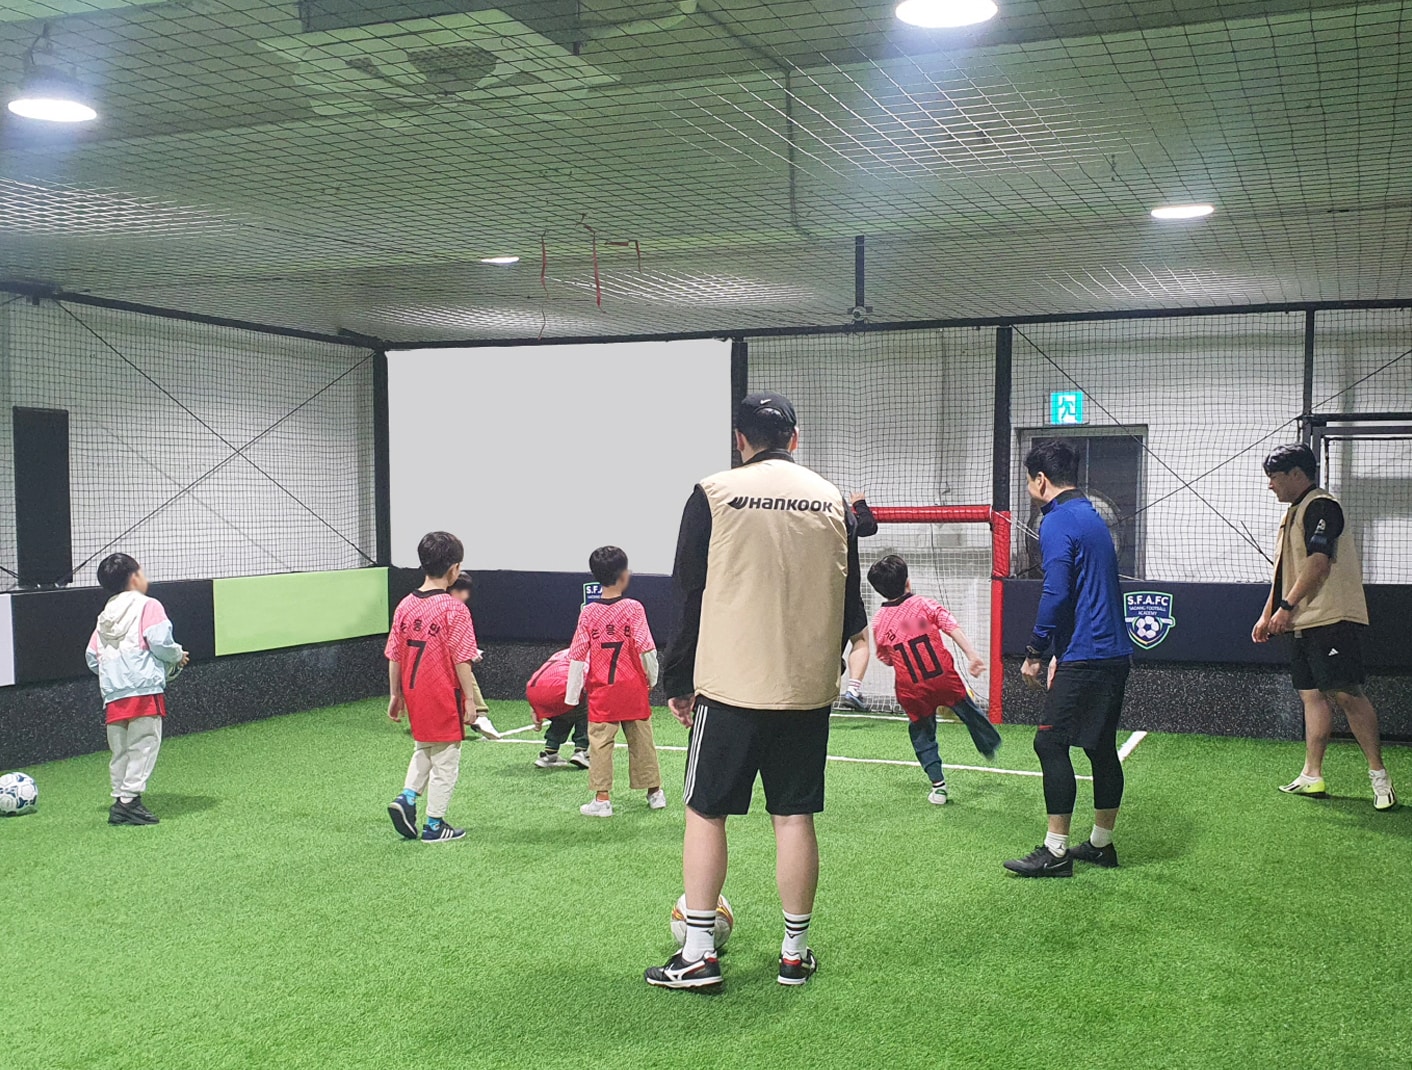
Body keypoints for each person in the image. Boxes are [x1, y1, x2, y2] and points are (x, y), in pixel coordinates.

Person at [648, 391, 866, 991]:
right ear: (794, 439)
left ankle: (698, 954)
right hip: (806, 690)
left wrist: (677, 678)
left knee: (705, 810)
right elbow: (849, 603)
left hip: (730, 686)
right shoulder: (833, 502)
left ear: (740, 441)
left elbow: (687, 591)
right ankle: (794, 954)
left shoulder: (713, 492)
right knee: (794, 817)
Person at [1006, 440, 1133, 877]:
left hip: (1089, 653)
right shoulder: (1091, 517)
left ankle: (1055, 852)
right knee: (1099, 746)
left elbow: (1057, 592)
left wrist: (1036, 652)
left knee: (1049, 742)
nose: (1028, 488)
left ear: (1041, 480)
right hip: (1112, 651)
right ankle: (1101, 845)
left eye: (1028, 480)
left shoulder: (1058, 521)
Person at [1252, 444, 1396, 810]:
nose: (1270, 485)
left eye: (1275, 477)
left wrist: (1286, 607)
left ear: (1297, 474)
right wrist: (1268, 613)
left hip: (1330, 617)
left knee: (1347, 693)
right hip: (1301, 620)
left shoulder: (1322, 506)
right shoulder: (1294, 513)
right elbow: (1284, 572)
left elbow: (1318, 564)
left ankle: (1381, 780)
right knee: (1311, 695)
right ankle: (1312, 776)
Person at [867, 554, 1000, 804]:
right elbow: (951, 626)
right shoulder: (924, 605)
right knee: (968, 709)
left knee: (922, 733)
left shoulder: (879, 622)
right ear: (908, 582)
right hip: (943, 679)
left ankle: (938, 786)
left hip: (910, 688)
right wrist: (972, 655)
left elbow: (884, 656)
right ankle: (989, 743)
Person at [385, 531, 482, 844]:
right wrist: (470, 700)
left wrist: (395, 694)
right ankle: (434, 825)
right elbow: (462, 660)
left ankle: (407, 798)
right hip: (442, 691)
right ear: (454, 569)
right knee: (447, 758)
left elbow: (395, 655)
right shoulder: (454, 609)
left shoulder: (405, 605)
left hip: (413, 691)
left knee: (425, 747)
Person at [86, 553, 188, 826]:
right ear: (134, 577)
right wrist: (177, 656)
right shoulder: (148, 605)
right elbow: (160, 641)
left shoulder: (104, 615)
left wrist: (114, 673)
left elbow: (92, 656)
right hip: (143, 688)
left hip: (113, 693)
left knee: (120, 749)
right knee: (143, 745)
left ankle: (121, 798)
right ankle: (129, 802)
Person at [566, 546, 664, 817]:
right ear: (623, 575)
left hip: (603, 691)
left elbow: (576, 654)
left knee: (600, 744)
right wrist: (652, 678)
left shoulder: (588, 613)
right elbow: (647, 648)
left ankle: (602, 799)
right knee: (642, 741)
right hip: (633, 687)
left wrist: (572, 696)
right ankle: (654, 792)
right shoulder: (634, 608)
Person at [838, 493, 878, 711]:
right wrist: (859, 504)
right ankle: (853, 690)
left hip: (813, 593)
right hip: (847, 589)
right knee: (860, 639)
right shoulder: (847, 521)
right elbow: (869, 526)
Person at [448, 573, 499, 740]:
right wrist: (470, 653)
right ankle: (480, 714)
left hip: (421, 665)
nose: (467, 597)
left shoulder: (421, 603)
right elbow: (459, 650)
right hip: (445, 660)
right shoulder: (457, 610)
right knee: (464, 669)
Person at [527, 649, 590, 769]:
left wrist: (534, 707)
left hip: (534, 689)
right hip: (560, 689)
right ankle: (581, 751)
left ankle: (550, 753)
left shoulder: (563, 652)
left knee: (563, 715)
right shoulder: (592, 655)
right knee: (585, 710)